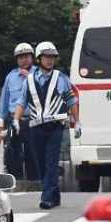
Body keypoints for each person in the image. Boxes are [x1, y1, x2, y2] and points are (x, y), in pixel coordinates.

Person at [13, 41, 79, 210]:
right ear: (39, 59)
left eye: (52, 57)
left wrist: (77, 122)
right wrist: (16, 120)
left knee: (51, 161)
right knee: (41, 163)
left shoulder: (61, 78)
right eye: (46, 57)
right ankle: (54, 194)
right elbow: (22, 101)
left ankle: (47, 198)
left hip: (55, 125)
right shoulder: (29, 80)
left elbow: (71, 100)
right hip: (35, 126)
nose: (50, 60)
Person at [0, 43, 38, 180]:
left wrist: (29, 78)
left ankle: (35, 182)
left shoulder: (39, 74)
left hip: (33, 119)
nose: (23, 60)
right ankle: (16, 181)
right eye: (20, 57)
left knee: (33, 152)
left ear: (32, 58)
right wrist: (0, 120)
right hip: (14, 120)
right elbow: (5, 99)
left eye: (26, 56)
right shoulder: (11, 77)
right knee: (12, 152)